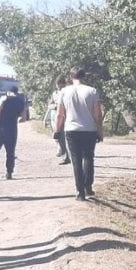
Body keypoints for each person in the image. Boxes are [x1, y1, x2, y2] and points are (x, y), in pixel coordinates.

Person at [56, 67, 103, 201]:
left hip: (71, 129)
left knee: (76, 161)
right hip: (89, 129)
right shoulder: (92, 91)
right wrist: (100, 131)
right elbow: (98, 114)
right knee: (88, 158)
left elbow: (60, 114)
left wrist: (57, 130)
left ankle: (80, 192)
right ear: (84, 77)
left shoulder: (64, 91)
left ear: (71, 77)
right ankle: (88, 187)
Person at [0, 84, 29, 179]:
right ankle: (9, 173)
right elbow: (24, 118)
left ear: (9, 91)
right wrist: (16, 119)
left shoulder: (4, 99)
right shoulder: (21, 102)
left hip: (0, 127)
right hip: (12, 128)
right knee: (10, 151)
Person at [47, 76, 70, 164]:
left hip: (66, 117)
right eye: (58, 86)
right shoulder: (55, 94)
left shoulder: (68, 93)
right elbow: (49, 105)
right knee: (59, 137)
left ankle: (68, 156)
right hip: (56, 117)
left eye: (62, 85)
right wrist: (55, 106)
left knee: (66, 138)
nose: (60, 87)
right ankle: (64, 154)